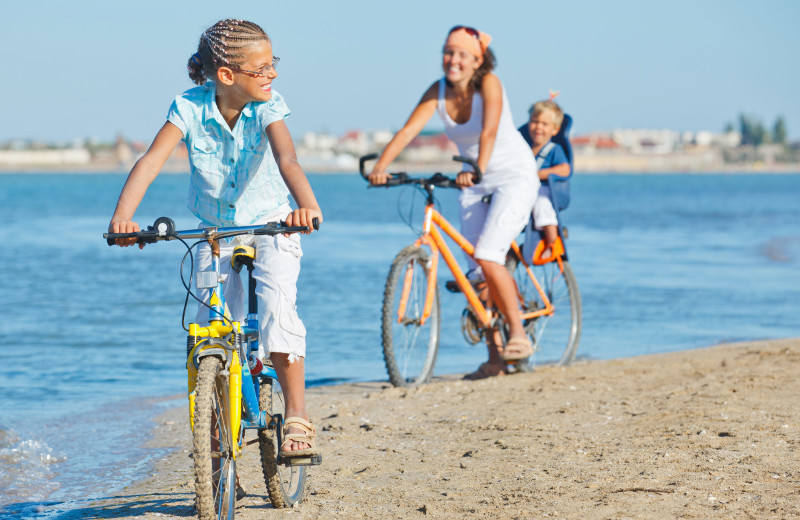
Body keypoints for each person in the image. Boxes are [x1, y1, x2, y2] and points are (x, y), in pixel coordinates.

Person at [108, 19, 322, 458]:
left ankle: (297, 417)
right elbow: (151, 160)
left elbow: (288, 159)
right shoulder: (188, 107)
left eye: (272, 64)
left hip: (273, 221)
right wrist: (123, 220)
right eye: (262, 68)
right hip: (214, 229)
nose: (272, 74)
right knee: (210, 329)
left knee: (277, 309)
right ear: (227, 75)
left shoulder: (269, 104)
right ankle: (214, 440)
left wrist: (307, 206)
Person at [369, 25, 538, 379]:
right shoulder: (438, 90)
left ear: (478, 59)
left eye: (462, 54)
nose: (453, 60)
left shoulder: (489, 84)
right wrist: (380, 167)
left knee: (490, 254)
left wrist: (478, 167)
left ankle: (519, 335)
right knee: (474, 274)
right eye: (448, 52)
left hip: (512, 176)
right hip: (473, 181)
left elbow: (488, 132)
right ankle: (496, 358)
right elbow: (408, 131)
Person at [527, 100, 570, 260]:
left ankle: (553, 242)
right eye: (535, 122)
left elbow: (565, 169)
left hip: (544, 190)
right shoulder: (525, 149)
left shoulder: (554, 149)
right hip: (525, 190)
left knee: (541, 204)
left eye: (544, 124)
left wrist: (539, 174)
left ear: (555, 129)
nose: (538, 127)